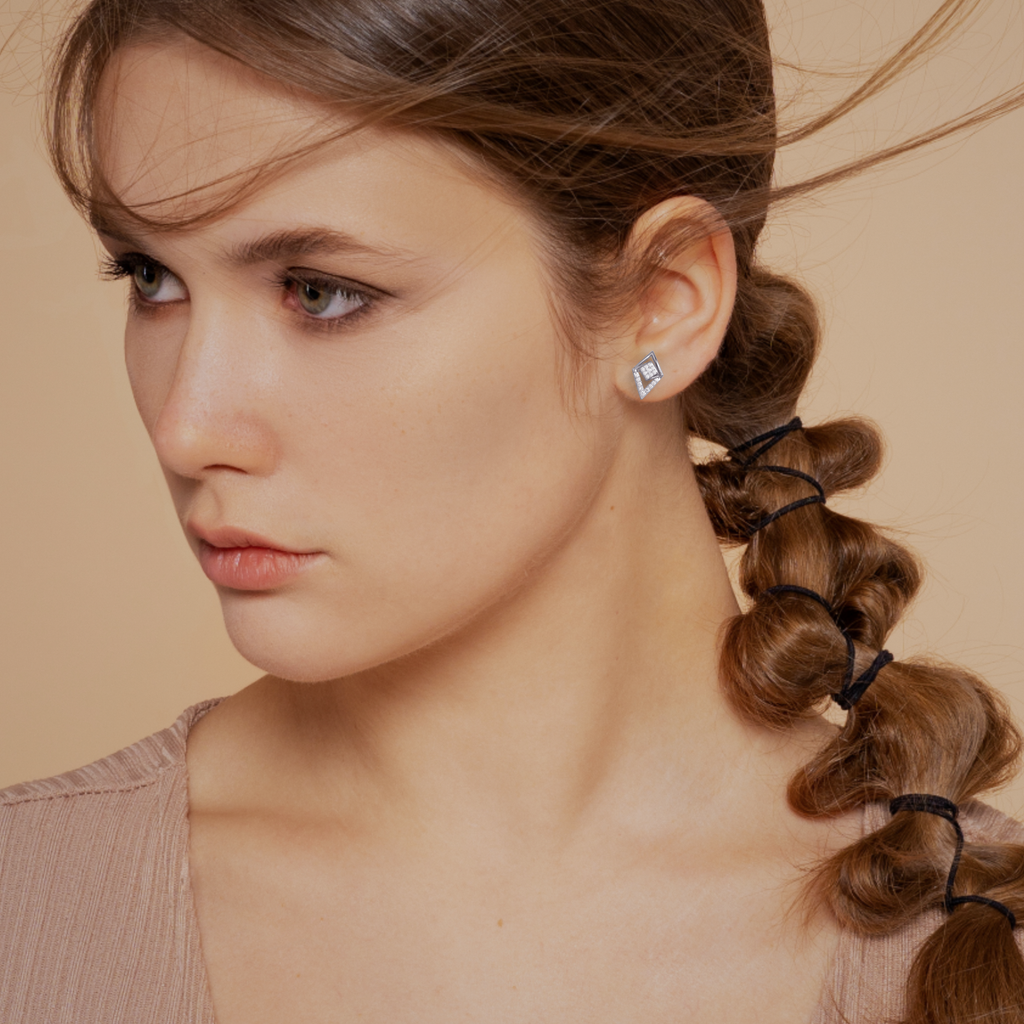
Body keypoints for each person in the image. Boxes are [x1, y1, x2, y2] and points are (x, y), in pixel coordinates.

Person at [2, 0, 1024, 1021]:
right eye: (151, 277)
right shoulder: (28, 901)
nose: (185, 427)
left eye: (320, 292)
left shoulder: (979, 950)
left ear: (661, 301)